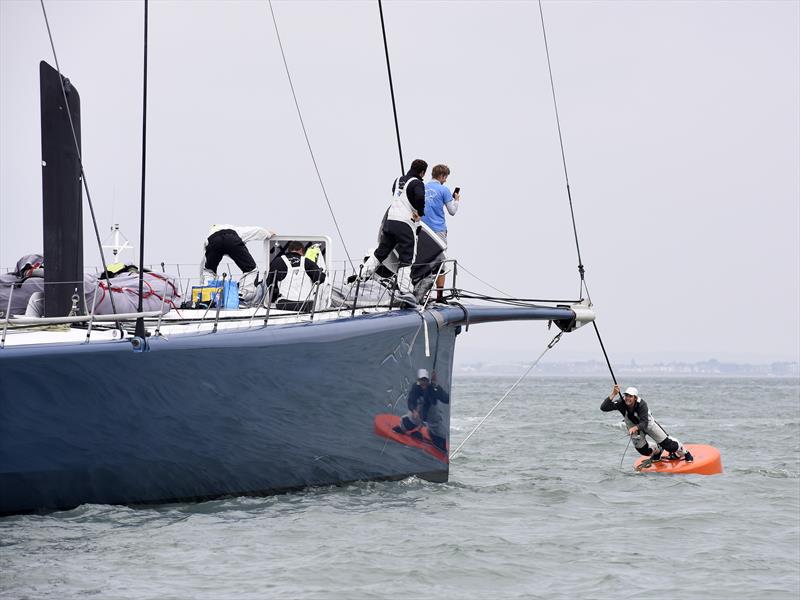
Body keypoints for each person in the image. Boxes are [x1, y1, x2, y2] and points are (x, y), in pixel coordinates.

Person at [360, 159, 428, 296]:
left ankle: (361, 277)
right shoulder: (418, 183)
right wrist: (420, 213)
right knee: (407, 257)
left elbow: (397, 194)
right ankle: (404, 290)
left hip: (390, 221)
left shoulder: (397, 180)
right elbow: (420, 196)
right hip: (405, 224)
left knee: (380, 253)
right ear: (422, 172)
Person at [601, 384, 693, 462]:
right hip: (634, 427)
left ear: (635, 398)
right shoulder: (621, 403)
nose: (627, 398)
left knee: (669, 446)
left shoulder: (642, 405)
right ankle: (658, 450)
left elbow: (644, 423)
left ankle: (685, 452)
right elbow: (604, 407)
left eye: (630, 396)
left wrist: (634, 428)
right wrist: (613, 393)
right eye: (626, 396)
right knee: (644, 451)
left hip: (648, 424)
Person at [200, 224, 274, 303]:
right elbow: (256, 231)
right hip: (231, 239)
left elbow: (204, 263)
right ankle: (242, 295)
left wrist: (201, 284)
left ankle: (206, 297)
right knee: (251, 270)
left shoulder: (209, 235)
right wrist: (268, 234)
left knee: (209, 271)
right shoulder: (235, 230)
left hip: (213, 242)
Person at [421, 164, 460, 302]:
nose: (445, 180)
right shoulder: (444, 190)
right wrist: (456, 199)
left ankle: (422, 294)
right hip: (438, 230)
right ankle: (439, 296)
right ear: (442, 176)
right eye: (445, 177)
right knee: (440, 261)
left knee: (423, 261)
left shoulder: (422, 187)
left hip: (422, 230)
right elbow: (452, 211)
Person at [393, 368, 450, 452]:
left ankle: (431, 433)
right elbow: (411, 401)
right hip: (418, 412)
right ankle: (413, 426)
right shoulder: (415, 387)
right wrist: (413, 410)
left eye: (425, 380)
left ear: (428, 380)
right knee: (406, 425)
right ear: (418, 380)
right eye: (421, 380)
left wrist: (436, 386)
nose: (423, 382)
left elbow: (446, 399)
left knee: (440, 440)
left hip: (432, 414)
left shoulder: (434, 388)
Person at [266, 240, 326, 312]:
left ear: (289, 250)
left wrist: (273, 298)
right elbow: (320, 279)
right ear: (301, 250)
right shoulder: (307, 261)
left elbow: (269, 283)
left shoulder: (277, 261)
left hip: (285, 305)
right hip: (306, 305)